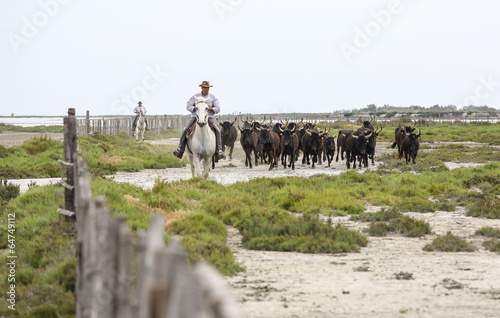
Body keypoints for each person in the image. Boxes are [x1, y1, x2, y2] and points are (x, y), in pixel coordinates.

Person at [173, 81, 226, 160]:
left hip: (208, 118)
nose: (206, 89)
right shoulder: (195, 97)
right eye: (205, 87)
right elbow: (188, 105)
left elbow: (218, 108)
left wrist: (209, 109)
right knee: (185, 129)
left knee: (217, 131)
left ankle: (219, 151)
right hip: (195, 117)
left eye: (207, 88)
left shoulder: (213, 97)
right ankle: (180, 149)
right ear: (202, 88)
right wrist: (195, 108)